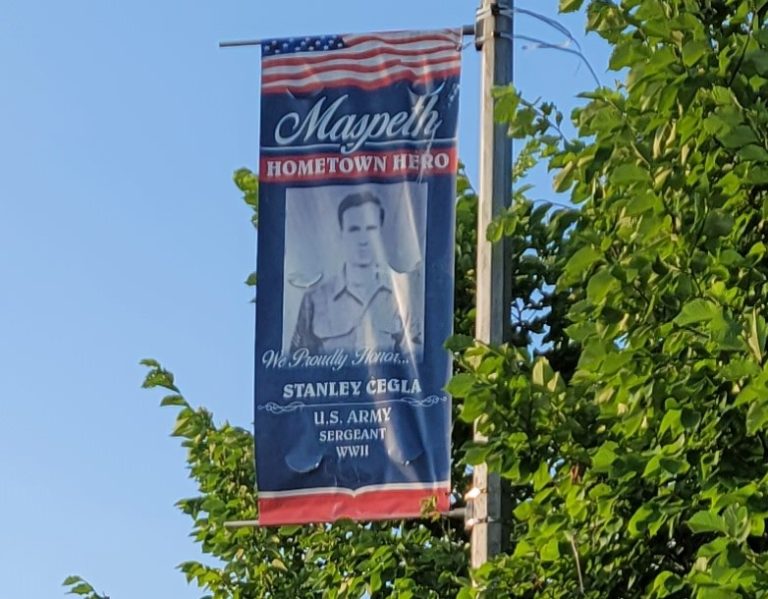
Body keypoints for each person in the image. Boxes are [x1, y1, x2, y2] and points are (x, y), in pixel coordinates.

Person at [290, 191, 422, 356]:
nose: (363, 239)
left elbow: (417, 362)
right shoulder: (314, 301)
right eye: (354, 229)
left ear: (380, 233)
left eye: (371, 228)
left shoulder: (402, 297)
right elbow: (297, 367)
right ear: (341, 234)